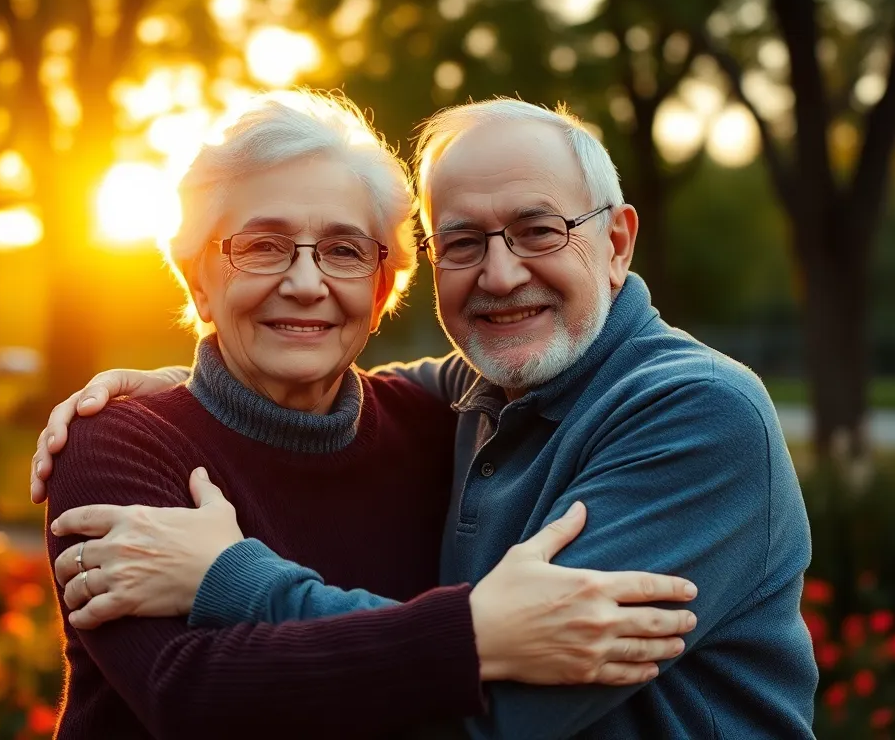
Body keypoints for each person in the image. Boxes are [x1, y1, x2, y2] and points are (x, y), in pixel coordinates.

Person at [40, 90, 700, 739]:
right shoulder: (117, 442)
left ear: (382, 290)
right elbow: (188, 696)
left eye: (344, 250)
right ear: (197, 282)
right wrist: (477, 636)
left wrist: (230, 576)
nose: (305, 284)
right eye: (263, 246)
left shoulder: (434, 422)